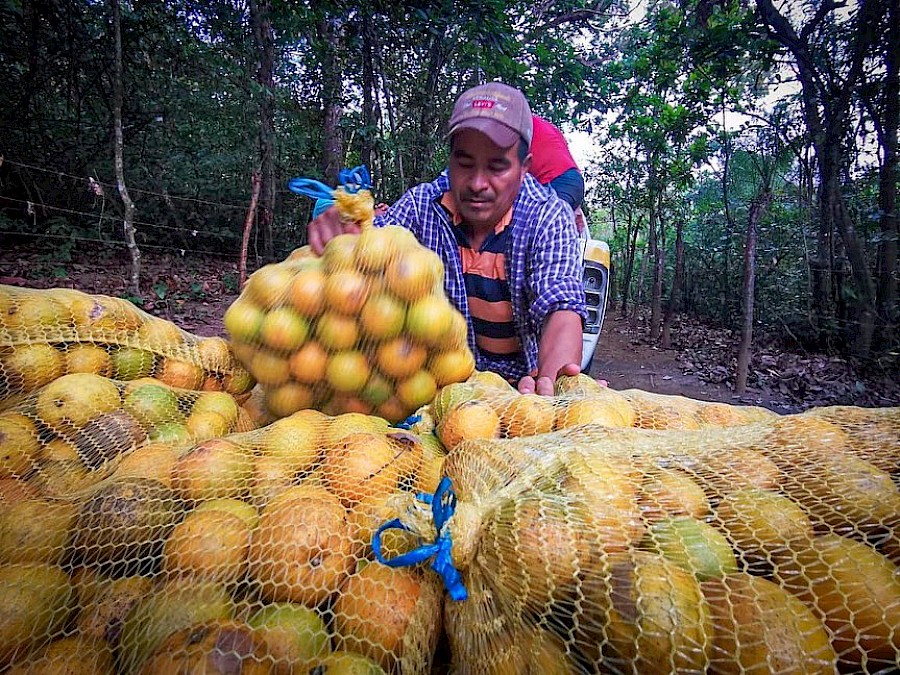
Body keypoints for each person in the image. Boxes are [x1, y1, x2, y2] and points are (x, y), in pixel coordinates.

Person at [307, 82, 586, 396]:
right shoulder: (422, 208)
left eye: (497, 167)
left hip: (519, 394)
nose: (478, 183)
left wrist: (555, 387)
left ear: (524, 169)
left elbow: (560, 305)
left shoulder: (548, 217)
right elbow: (370, 242)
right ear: (450, 160)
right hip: (436, 393)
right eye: (465, 164)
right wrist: (342, 228)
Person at [529, 114, 586, 230]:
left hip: (555, 181)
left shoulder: (517, 123)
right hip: (574, 180)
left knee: (542, 231)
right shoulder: (546, 125)